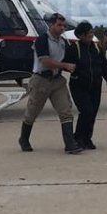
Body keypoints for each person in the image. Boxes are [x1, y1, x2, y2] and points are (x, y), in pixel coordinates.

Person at [18, 13, 82, 154]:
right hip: (41, 80)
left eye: (64, 26)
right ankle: (24, 138)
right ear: (51, 25)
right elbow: (45, 61)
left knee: (65, 111)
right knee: (32, 112)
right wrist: (64, 65)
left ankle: (70, 144)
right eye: (59, 25)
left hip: (57, 81)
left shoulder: (63, 41)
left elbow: (71, 56)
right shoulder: (42, 40)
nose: (62, 28)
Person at [64, 21, 107, 150]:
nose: (91, 35)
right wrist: (70, 68)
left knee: (93, 113)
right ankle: (78, 138)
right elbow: (65, 64)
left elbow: (103, 65)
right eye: (89, 33)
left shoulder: (97, 48)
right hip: (79, 86)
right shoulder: (74, 49)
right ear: (81, 35)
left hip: (95, 86)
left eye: (92, 32)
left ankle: (87, 138)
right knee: (86, 111)